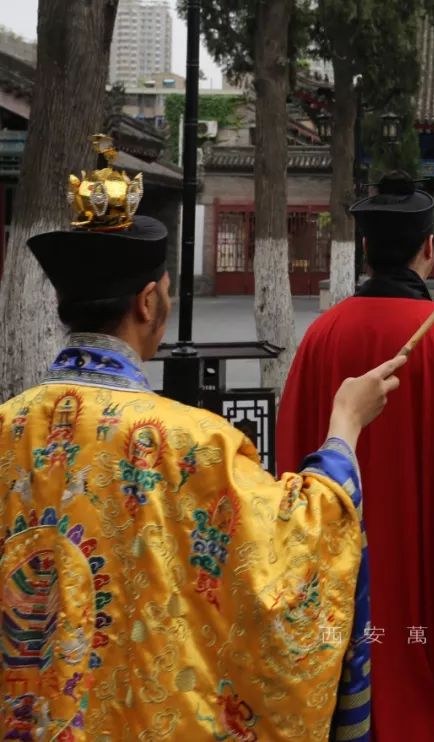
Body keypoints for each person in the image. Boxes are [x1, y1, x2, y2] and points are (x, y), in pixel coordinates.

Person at [0, 137, 401, 740]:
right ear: (146, 302)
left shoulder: (8, 426)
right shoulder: (196, 445)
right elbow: (290, 564)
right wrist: (344, 429)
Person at [277, 171, 434, 742]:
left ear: (364, 249)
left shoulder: (321, 338)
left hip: (341, 604)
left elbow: (291, 460)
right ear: (431, 249)